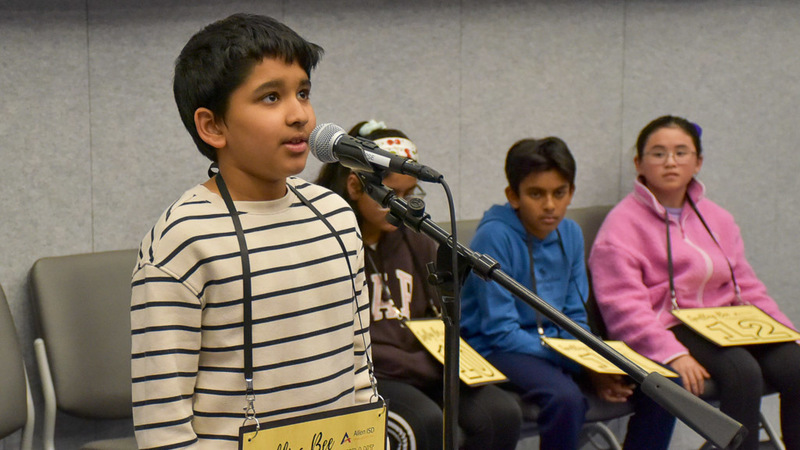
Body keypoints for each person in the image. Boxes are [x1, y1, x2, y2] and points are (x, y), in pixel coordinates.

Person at [130, 14, 374, 449]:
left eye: (303, 92)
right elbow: (162, 423)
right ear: (213, 126)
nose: (299, 115)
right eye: (270, 98)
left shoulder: (336, 215)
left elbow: (359, 367)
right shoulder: (182, 239)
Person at [588, 115, 800, 450]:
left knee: (795, 363)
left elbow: (747, 287)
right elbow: (623, 309)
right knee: (743, 372)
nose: (670, 162)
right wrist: (671, 354)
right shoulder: (621, 226)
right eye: (658, 153)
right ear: (638, 163)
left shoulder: (719, 218)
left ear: (698, 161)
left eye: (681, 152)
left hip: (728, 322)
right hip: (670, 324)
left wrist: (784, 331)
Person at [317, 120, 523, 449]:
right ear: (356, 186)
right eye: (391, 193)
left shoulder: (418, 238)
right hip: (369, 376)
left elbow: (440, 321)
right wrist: (418, 365)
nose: (400, 205)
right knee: (426, 422)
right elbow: (343, 347)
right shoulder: (329, 245)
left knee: (501, 412)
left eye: (409, 194)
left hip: (422, 368)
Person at [459, 137, 676, 450]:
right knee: (565, 399)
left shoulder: (570, 233)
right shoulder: (493, 237)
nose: (550, 205)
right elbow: (500, 331)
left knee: (662, 384)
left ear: (571, 193)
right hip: (493, 347)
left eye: (559, 193)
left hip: (556, 345)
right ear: (513, 196)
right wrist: (581, 366)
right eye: (536, 194)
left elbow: (574, 316)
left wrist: (595, 361)